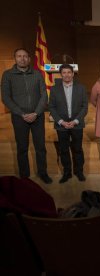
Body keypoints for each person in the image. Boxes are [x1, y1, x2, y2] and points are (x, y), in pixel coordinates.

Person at [1, 48, 52, 184]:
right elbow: (6, 98)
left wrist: (36, 112)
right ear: (15, 58)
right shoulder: (7, 75)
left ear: (29, 59)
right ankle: (24, 176)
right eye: (19, 56)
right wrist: (21, 113)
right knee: (22, 147)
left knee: (40, 147)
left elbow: (44, 95)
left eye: (25, 56)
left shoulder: (37, 74)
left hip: (38, 116)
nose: (22, 59)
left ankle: (43, 172)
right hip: (19, 118)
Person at [49, 64, 88, 183]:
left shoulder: (81, 88)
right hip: (61, 125)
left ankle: (79, 171)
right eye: (64, 72)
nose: (66, 75)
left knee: (77, 149)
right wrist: (61, 122)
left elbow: (84, 107)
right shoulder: (54, 89)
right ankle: (67, 172)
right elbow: (52, 107)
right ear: (61, 74)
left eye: (69, 72)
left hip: (77, 124)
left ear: (73, 74)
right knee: (64, 150)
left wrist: (76, 121)